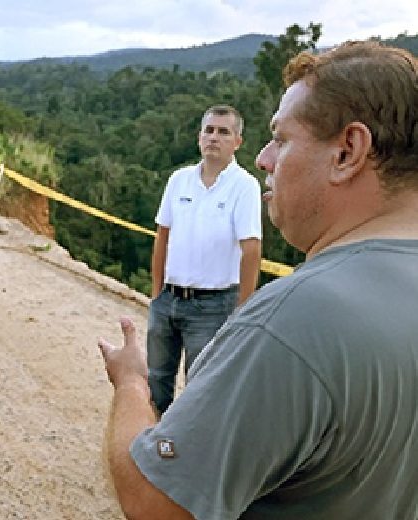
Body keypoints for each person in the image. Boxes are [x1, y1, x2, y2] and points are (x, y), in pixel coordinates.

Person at [98, 40, 418, 519]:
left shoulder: (297, 319)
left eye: (282, 138)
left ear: (348, 151)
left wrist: (130, 385)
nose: (266, 158)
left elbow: (154, 504)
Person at [146, 104, 262, 415]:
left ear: (237, 141)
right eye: (209, 130)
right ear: (199, 137)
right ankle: (151, 449)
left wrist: (242, 309)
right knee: (155, 381)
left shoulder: (245, 186)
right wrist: (156, 293)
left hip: (213, 307)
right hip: (168, 299)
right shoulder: (179, 180)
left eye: (223, 131)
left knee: (201, 390)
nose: (214, 137)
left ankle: (187, 458)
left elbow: (251, 250)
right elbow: (162, 236)